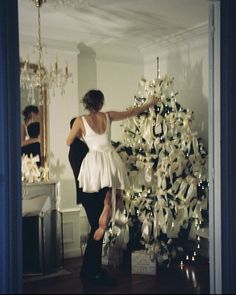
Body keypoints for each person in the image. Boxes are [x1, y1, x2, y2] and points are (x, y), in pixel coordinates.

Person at [66, 89, 159, 242]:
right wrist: (151, 103)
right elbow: (132, 112)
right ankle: (108, 205)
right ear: (101, 103)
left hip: (94, 161)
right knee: (112, 188)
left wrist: (83, 135)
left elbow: (68, 141)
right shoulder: (108, 116)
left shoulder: (80, 120)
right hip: (110, 156)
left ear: (86, 104)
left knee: (101, 187)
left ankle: (102, 217)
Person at [68, 117, 115, 286]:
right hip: (90, 194)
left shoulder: (80, 147)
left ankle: (90, 269)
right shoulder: (79, 148)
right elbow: (91, 174)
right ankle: (91, 272)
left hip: (89, 194)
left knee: (96, 230)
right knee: (97, 229)